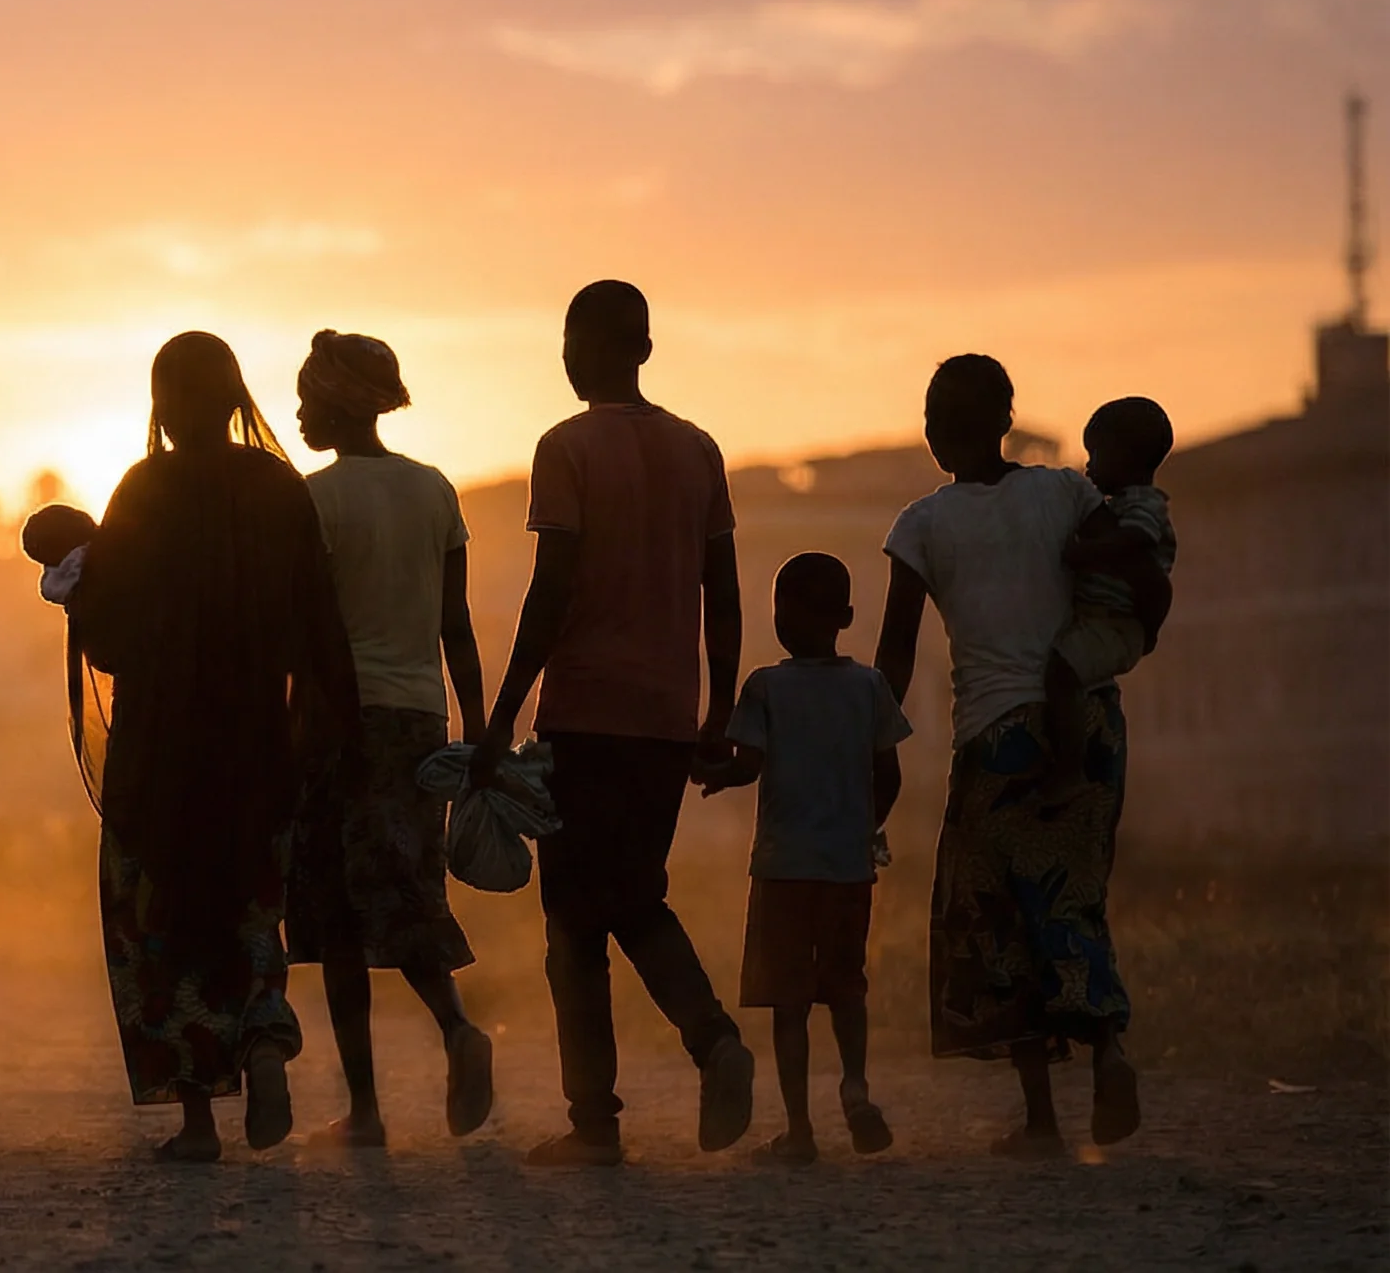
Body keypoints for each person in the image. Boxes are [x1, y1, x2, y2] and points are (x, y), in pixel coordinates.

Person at [469, 280, 757, 1167]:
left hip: (586, 712)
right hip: (666, 719)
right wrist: (717, 710)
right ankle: (691, 1058)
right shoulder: (698, 450)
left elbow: (550, 589)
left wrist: (502, 711)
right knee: (630, 890)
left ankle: (622, 1103)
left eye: (568, 337)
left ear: (596, 349)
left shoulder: (565, 448)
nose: (563, 353)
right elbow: (724, 592)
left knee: (577, 917)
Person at [65, 331, 358, 1163]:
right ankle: (264, 1044)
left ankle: (197, 1123)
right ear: (235, 401)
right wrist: (326, 738)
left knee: (160, 931)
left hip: (159, 759)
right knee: (251, 909)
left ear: (160, 404)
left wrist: (78, 585)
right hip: (256, 751)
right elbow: (318, 628)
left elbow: (112, 640)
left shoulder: (141, 492)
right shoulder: (277, 490)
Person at [875, 355, 1159, 1157]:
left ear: (932, 429)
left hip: (999, 743)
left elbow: (895, 653)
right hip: (1091, 723)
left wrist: (872, 741)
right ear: (1007, 417)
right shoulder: (1066, 492)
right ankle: (1108, 1051)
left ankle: (1040, 1118)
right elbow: (1130, 559)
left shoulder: (920, 524)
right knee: (1073, 900)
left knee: (998, 921)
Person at [286, 330, 495, 1147]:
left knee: (339, 915)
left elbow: (307, 637)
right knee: (407, 884)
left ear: (334, 404)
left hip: (342, 723)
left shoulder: (316, 499)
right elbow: (457, 626)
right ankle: (454, 1030)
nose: (298, 412)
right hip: (419, 719)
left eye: (307, 398)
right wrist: (478, 727)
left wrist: (293, 730)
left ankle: (371, 1108)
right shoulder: (435, 491)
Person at [704, 553, 909, 1164]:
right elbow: (889, 776)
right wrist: (863, 827)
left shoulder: (766, 686)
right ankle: (855, 1087)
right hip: (848, 870)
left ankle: (799, 1130)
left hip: (783, 869)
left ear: (778, 617)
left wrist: (708, 771)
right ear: (845, 616)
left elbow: (747, 766)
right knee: (846, 988)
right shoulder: (870, 686)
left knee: (788, 1002)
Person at [1042, 397, 1177, 777]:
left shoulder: (1143, 505)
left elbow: (1133, 543)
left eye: (1096, 453)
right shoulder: (1120, 505)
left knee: (1060, 675)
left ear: (1127, 457)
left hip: (1113, 623)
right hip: (1104, 621)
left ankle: (1067, 768)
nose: (1088, 465)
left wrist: (1084, 554)